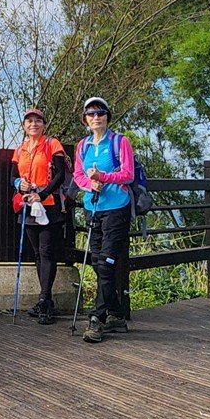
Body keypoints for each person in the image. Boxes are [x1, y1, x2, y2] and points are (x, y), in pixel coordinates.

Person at [73, 96, 135, 343]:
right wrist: (90, 183)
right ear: (85, 119)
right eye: (90, 114)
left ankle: (97, 320)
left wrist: (103, 177)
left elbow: (128, 174)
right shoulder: (83, 145)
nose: (96, 117)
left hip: (116, 209)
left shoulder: (120, 142)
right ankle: (117, 316)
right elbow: (78, 175)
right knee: (99, 263)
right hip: (93, 208)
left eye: (100, 113)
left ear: (108, 116)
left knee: (106, 264)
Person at [12, 106, 67, 325]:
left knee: (46, 251)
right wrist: (19, 184)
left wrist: (41, 194)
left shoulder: (52, 144)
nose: (33, 124)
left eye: (38, 121)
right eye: (29, 121)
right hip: (28, 205)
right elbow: (12, 177)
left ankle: (44, 299)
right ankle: (46, 299)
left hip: (49, 205)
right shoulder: (20, 149)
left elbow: (61, 174)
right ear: (24, 126)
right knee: (37, 253)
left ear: (43, 124)